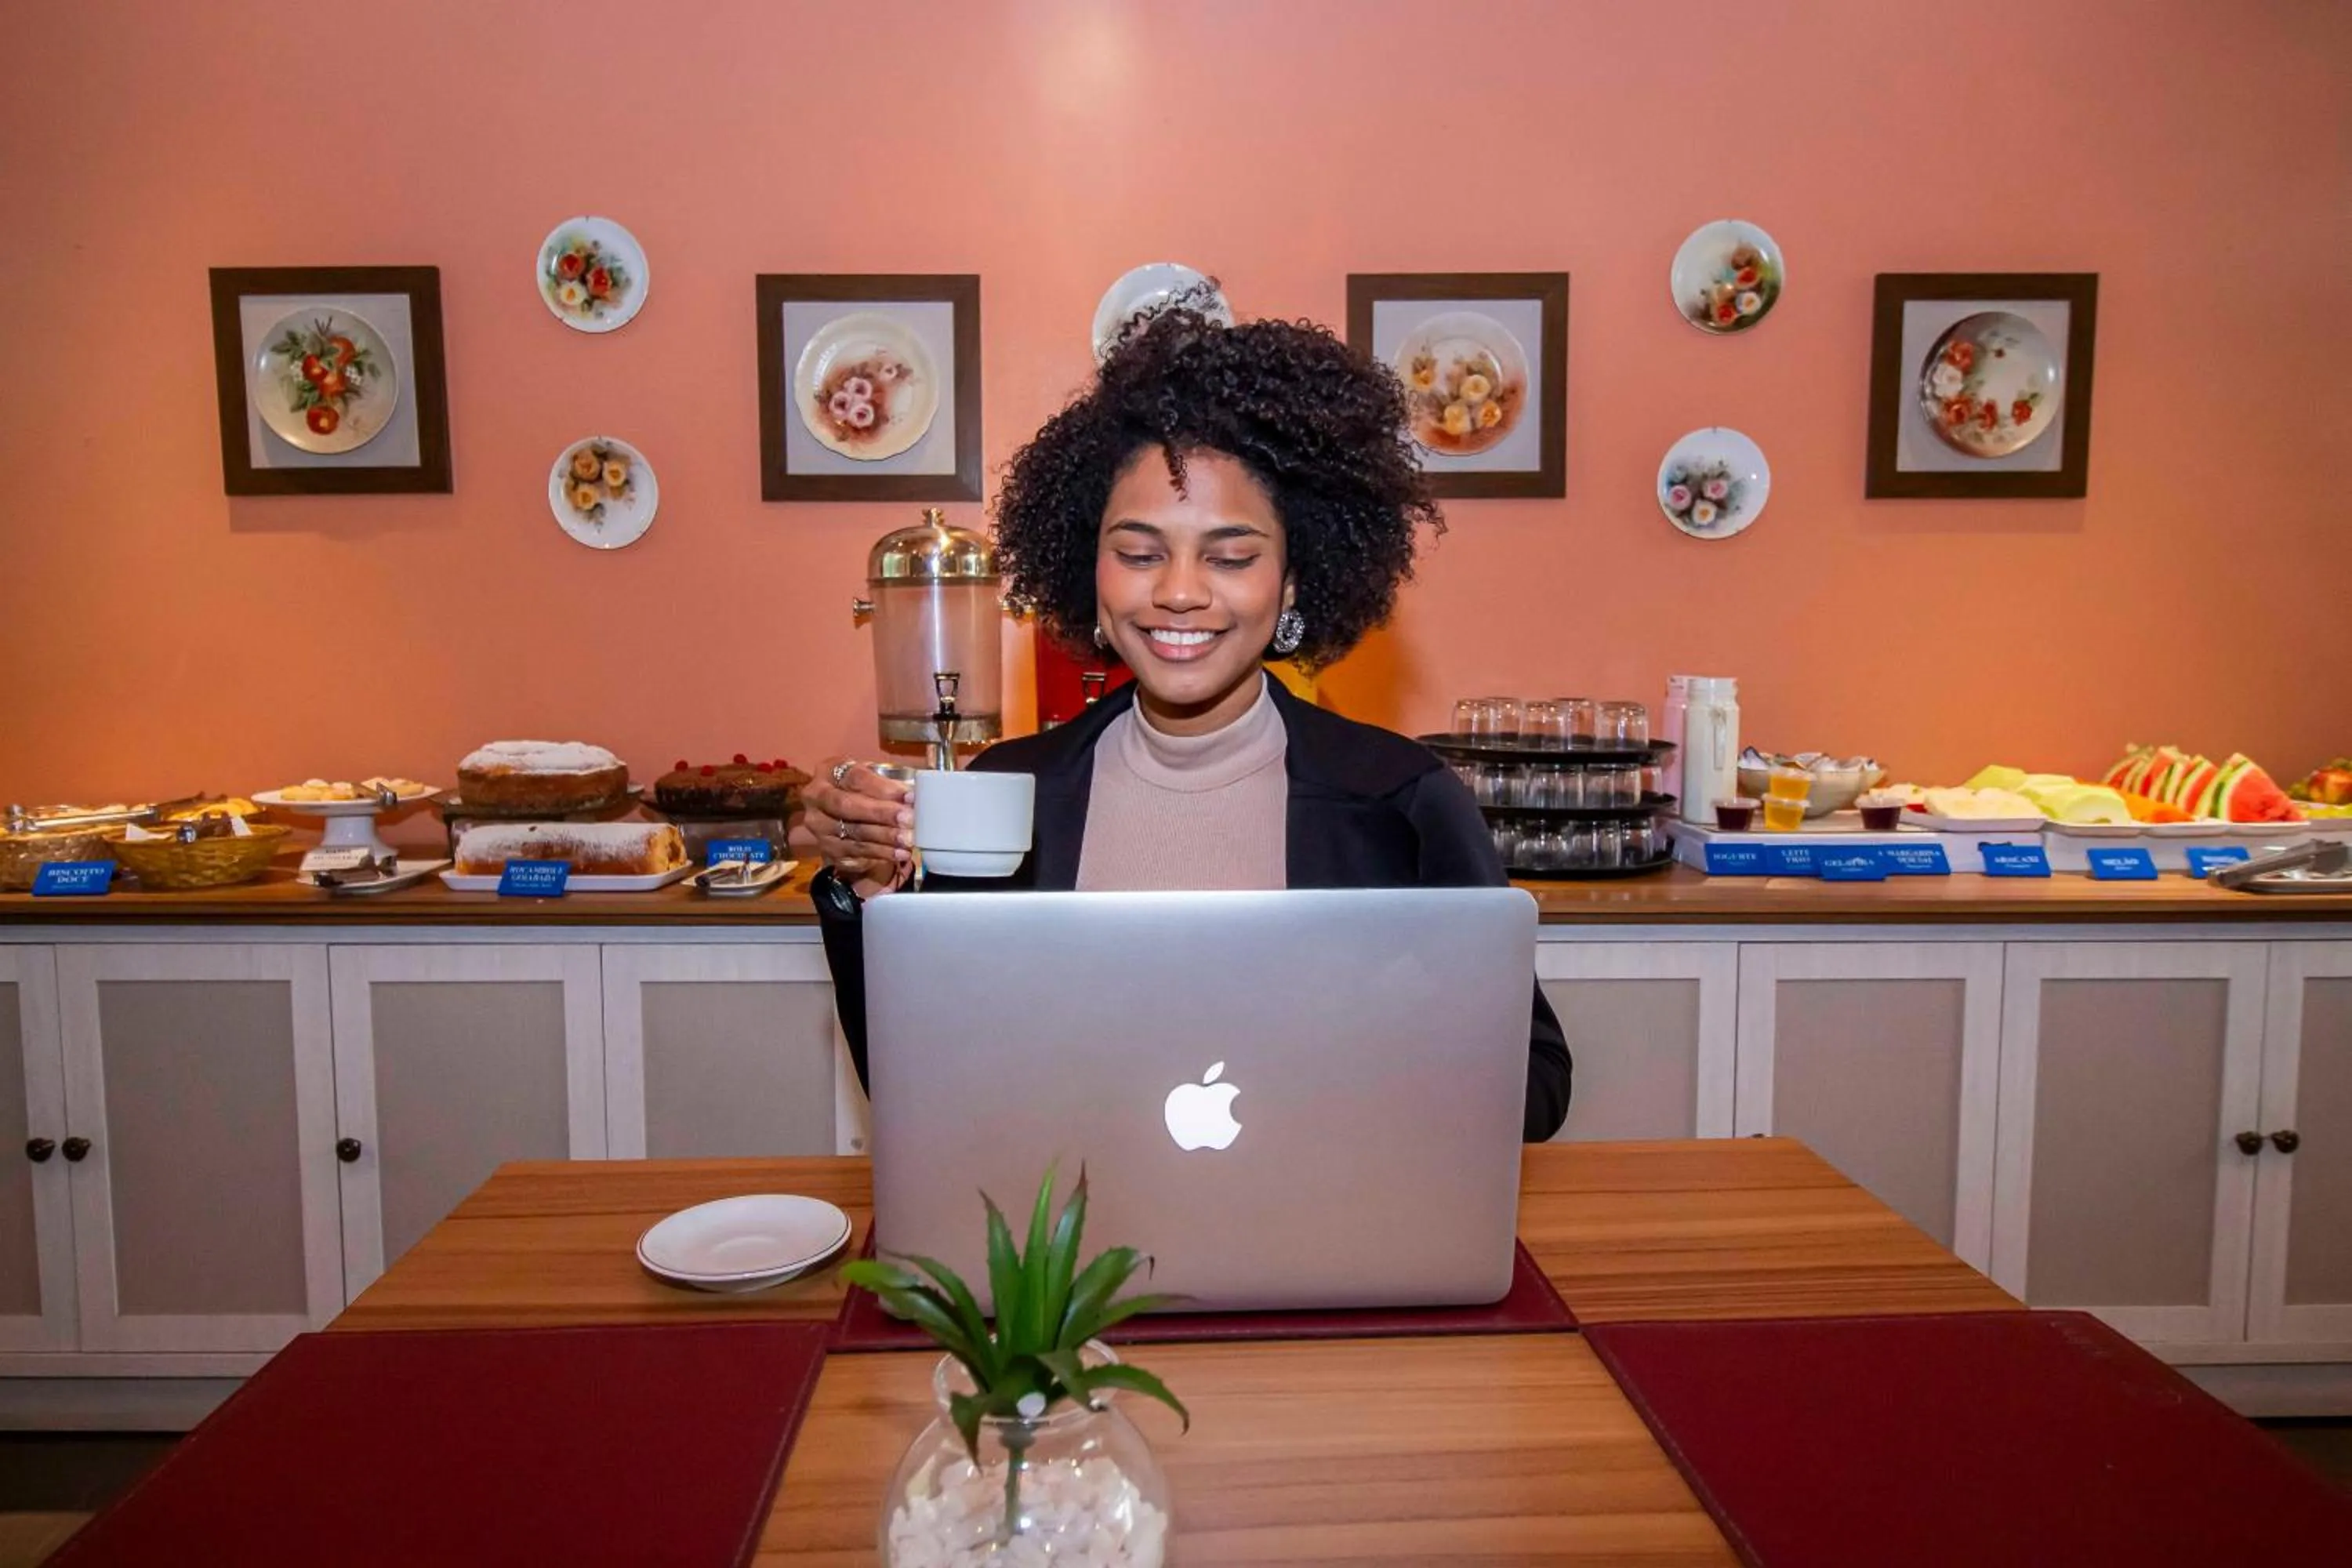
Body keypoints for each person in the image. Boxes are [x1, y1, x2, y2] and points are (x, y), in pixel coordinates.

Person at [793, 309, 1571, 1140]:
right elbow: (925, 1083)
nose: (1180, 592)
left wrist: (1376, 1012)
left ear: (1294, 582)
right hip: (1071, 1250)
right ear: (1091, 575)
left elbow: (1534, 1090)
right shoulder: (1007, 796)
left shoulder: (1401, 800)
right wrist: (870, 901)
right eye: (1138, 553)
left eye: (1232, 557)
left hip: (1321, 1230)